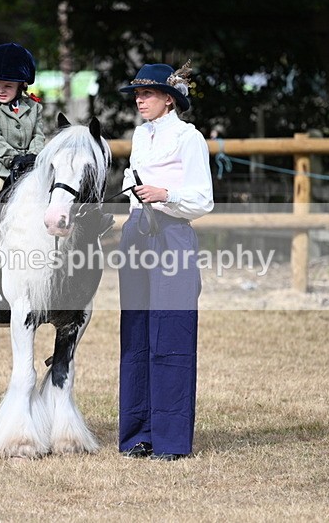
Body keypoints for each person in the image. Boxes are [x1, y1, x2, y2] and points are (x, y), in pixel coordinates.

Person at [117, 61, 214, 461]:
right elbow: (130, 182)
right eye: (137, 94)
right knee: (136, 333)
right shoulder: (141, 135)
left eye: (147, 94)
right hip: (137, 231)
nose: (140, 100)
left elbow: (203, 199)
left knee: (171, 334)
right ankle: (138, 434)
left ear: (168, 99)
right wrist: (134, 192)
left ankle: (171, 440)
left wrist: (165, 194)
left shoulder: (189, 139)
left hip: (172, 234)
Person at [0, 42, 45, 238]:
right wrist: (12, 159)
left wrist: (34, 156)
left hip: (30, 162)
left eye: (8, 86)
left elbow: (38, 134)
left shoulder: (34, 107)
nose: (1, 90)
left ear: (22, 85)